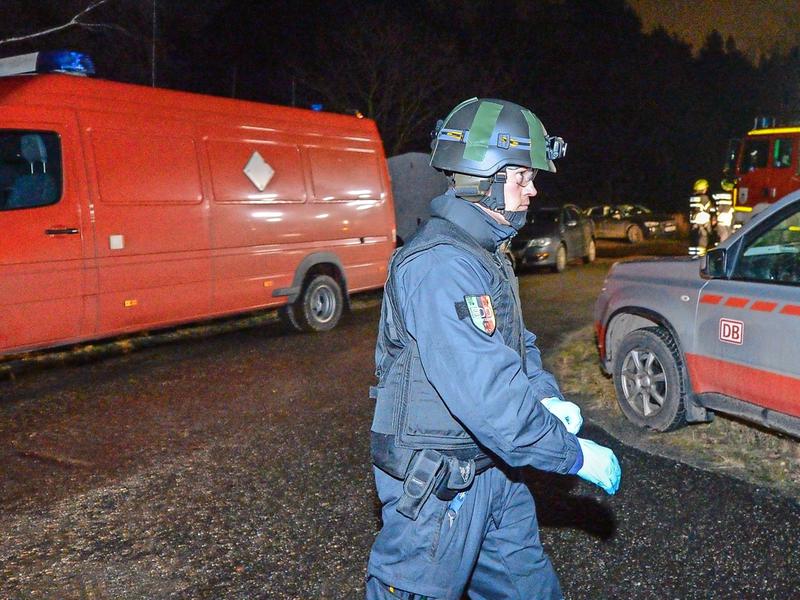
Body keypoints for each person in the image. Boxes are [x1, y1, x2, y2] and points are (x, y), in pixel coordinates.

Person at [366, 98, 621, 600]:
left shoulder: (485, 254)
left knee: (528, 589)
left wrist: (546, 398)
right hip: (440, 488)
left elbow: (515, 346)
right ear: (483, 178)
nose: (532, 189)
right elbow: (486, 393)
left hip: (494, 472)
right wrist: (568, 454)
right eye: (522, 177)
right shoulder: (441, 265)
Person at [688, 178, 713, 257]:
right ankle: (700, 258)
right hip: (703, 224)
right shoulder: (705, 198)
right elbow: (709, 209)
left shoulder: (692, 198)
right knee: (702, 242)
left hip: (693, 225)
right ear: (703, 189)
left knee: (693, 242)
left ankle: (692, 257)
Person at [712, 180, 735, 245]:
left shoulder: (717, 195)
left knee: (725, 235)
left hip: (723, 220)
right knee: (725, 236)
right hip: (726, 220)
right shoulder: (732, 195)